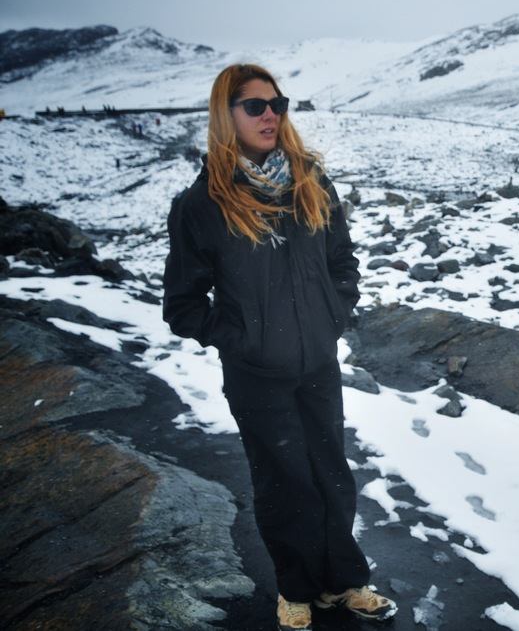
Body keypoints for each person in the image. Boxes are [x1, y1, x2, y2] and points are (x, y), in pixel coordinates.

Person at [162, 63, 397, 630]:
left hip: (317, 358)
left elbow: (343, 262)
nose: (271, 114)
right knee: (282, 479)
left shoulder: (310, 179)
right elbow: (184, 305)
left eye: (278, 103)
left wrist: (332, 316)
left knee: (331, 473)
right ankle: (295, 588)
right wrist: (242, 341)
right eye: (254, 106)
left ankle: (345, 581)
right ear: (227, 115)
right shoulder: (203, 205)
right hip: (256, 372)